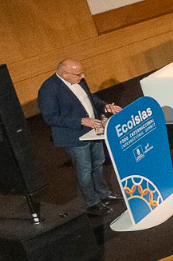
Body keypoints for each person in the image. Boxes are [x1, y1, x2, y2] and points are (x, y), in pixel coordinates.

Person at [37, 59, 122, 213]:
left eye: (81, 73)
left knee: (98, 163)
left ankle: (104, 194)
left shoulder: (78, 79)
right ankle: (92, 203)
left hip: (94, 131)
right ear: (64, 74)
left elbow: (89, 98)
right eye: (78, 74)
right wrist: (81, 121)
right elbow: (50, 117)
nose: (82, 77)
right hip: (75, 136)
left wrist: (105, 106)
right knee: (85, 170)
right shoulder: (49, 89)